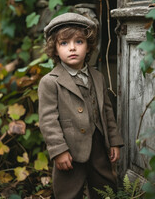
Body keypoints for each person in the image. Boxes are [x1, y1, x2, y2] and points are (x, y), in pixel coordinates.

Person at [38, 12, 124, 199]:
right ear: (54, 49)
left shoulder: (97, 77)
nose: (72, 48)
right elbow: (48, 121)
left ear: (89, 46)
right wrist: (59, 151)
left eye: (79, 42)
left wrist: (114, 141)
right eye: (64, 43)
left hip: (99, 146)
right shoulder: (50, 82)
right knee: (68, 191)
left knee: (105, 188)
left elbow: (107, 112)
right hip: (69, 150)